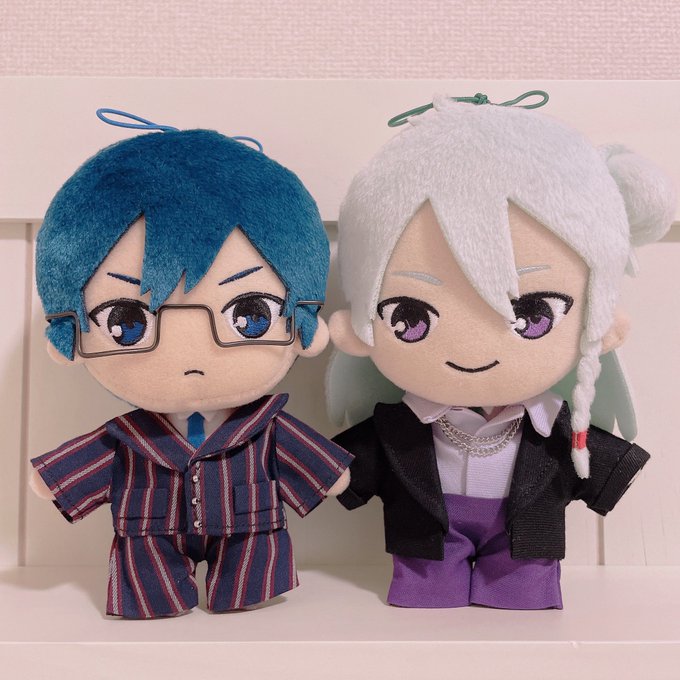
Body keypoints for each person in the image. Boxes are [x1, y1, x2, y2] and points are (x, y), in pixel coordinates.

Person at [327, 95, 675, 609]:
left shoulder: (554, 425)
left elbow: (593, 460)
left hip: (523, 537)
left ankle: (514, 584)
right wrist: (326, 470)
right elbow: (357, 460)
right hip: (426, 538)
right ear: (357, 330)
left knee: (523, 592)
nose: (475, 347)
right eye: (411, 317)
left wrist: (613, 470)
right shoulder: (400, 425)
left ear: (601, 324)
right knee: (424, 591)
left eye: (533, 314)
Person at [30, 118, 352, 618]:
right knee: (145, 580)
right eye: (127, 322)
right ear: (69, 333)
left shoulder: (265, 427)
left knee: (253, 573)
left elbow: (324, 471)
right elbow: (83, 465)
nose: (191, 352)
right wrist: (55, 478)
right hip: (147, 534)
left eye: (250, 315)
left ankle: (244, 592)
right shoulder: (128, 438)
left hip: (250, 528)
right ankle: (153, 598)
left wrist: (329, 475)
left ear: (302, 324)